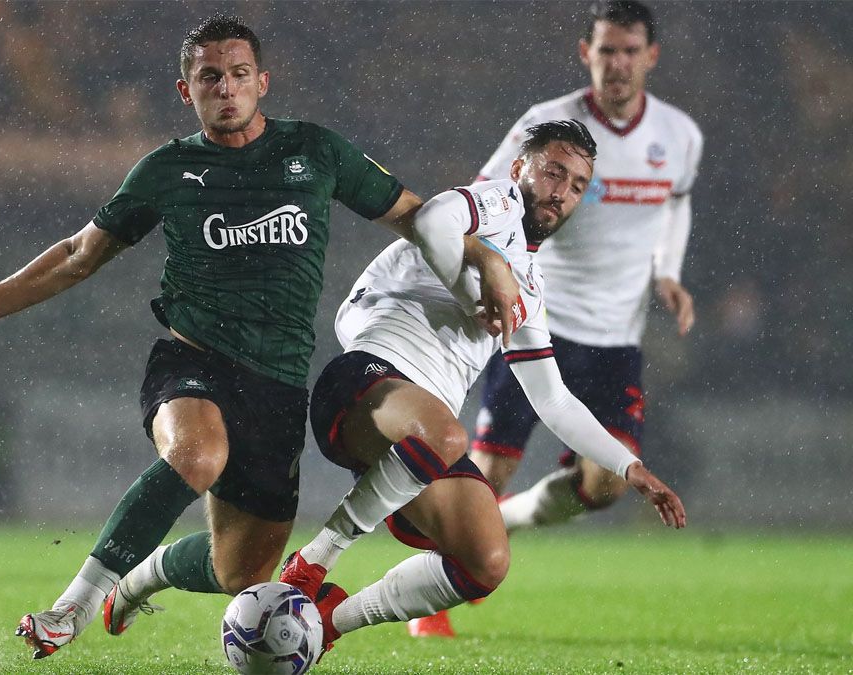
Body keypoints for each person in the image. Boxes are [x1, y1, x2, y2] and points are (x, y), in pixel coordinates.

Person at [0, 14, 519, 661]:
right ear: (186, 90)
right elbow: (78, 255)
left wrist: (483, 258)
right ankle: (72, 605)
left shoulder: (315, 152)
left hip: (278, 385)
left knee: (243, 572)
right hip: (193, 360)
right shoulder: (167, 170)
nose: (224, 88)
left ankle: (145, 573)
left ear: (261, 82)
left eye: (236, 75)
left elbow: (414, 214)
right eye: (209, 77)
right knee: (197, 455)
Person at [278, 120, 686, 655]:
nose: (561, 191)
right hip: (367, 380)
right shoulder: (497, 204)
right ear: (521, 169)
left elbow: (554, 399)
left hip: (418, 438)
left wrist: (629, 467)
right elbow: (430, 221)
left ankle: (329, 623)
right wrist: (487, 265)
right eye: (553, 172)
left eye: (577, 185)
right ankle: (313, 561)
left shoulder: (531, 290)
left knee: (486, 560)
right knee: (449, 435)